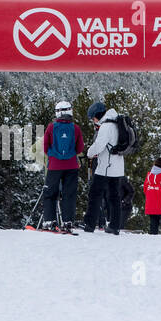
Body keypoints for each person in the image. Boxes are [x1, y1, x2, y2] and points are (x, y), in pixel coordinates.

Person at [40, 100, 84, 232]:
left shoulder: (51, 127)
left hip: (54, 166)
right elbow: (80, 148)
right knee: (69, 194)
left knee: (50, 193)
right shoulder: (75, 128)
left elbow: (45, 147)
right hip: (71, 166)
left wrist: (54, 155)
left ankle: (49, 221)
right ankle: (67, 222)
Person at [82, 102, 125, 235]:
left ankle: (89, 224)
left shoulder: (106, 126)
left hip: (105, 167)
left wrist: (89, 152)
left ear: (97, 115)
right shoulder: (117, 123)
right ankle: (115, 226)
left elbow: (98, 146)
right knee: (114, 197)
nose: (93, 121)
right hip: (117, 167)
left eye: (93, 117)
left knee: (95, 194)